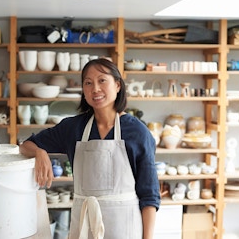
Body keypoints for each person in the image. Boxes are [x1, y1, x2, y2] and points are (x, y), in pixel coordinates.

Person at [20, 58, 160, 239]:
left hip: (124, 226)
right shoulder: (73, 127)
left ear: (117, 85)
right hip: (84, 226)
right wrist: (40, 152)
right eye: (88, 83)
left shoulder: (138, 132)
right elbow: (25, 146)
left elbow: (149, 195)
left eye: (102, 80)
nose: (95, 89)